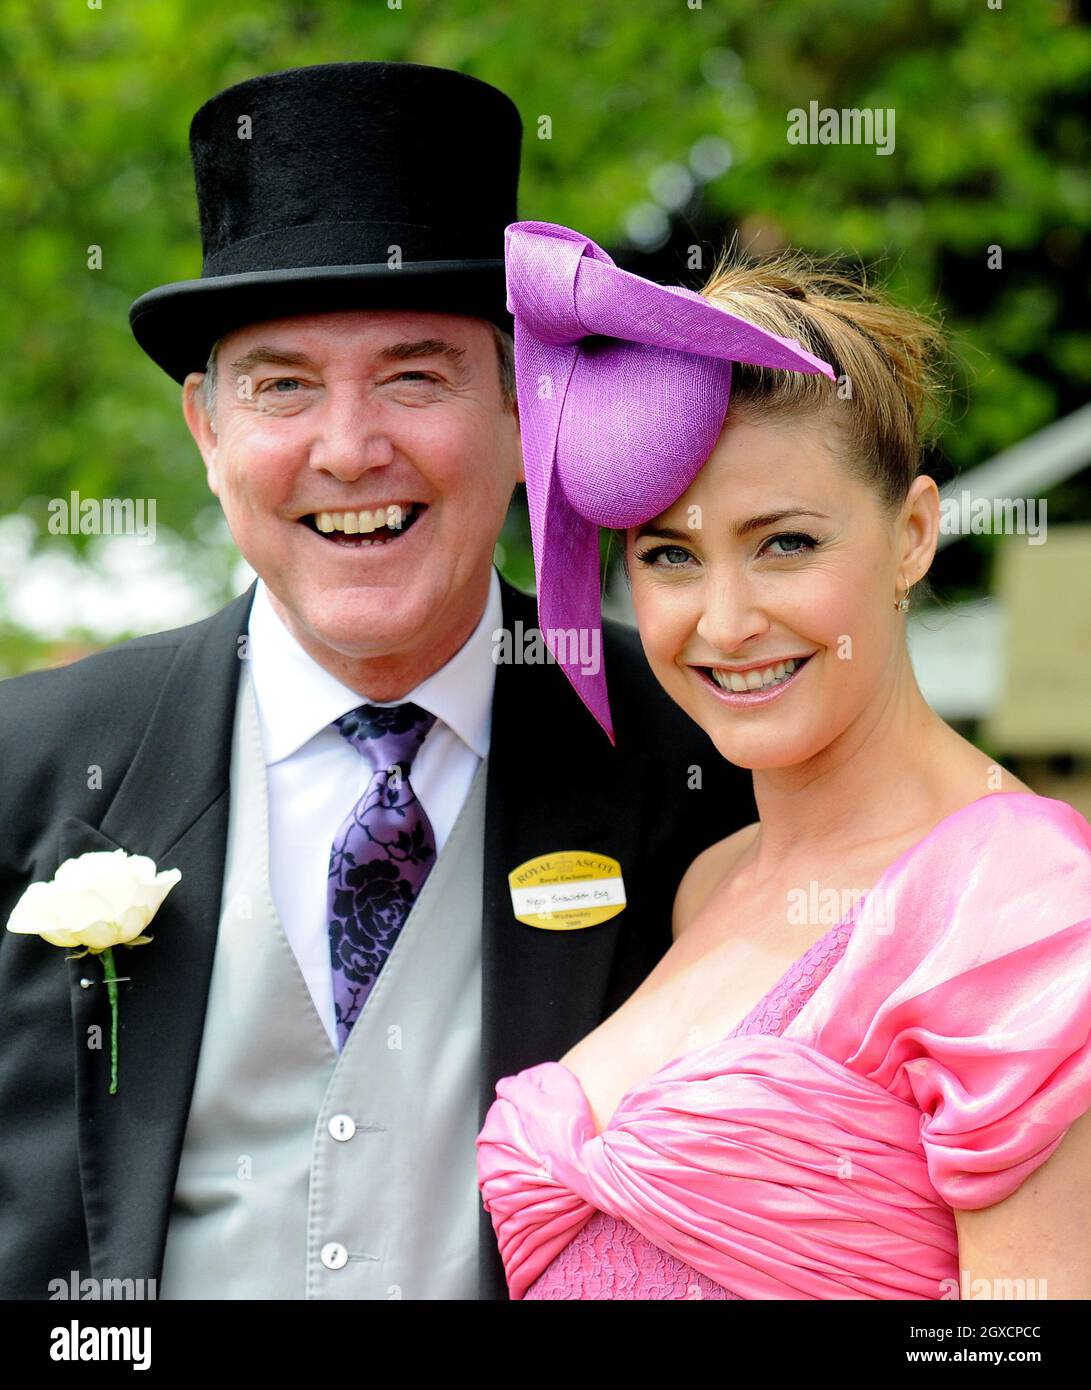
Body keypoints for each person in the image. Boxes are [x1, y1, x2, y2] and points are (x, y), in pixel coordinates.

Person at [0, 65, 757, 1302]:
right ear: (205, 432)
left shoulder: (698, 756)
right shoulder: (25, 763)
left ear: (526, 415)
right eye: (282, 385)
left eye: (415, 376)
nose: (349, 448)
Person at [476, 221, 1091, 1299]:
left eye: (785, 543)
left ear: (910, 534)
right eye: (670, 555)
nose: (724, 619)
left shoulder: (1022, 903)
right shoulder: (705, 882)